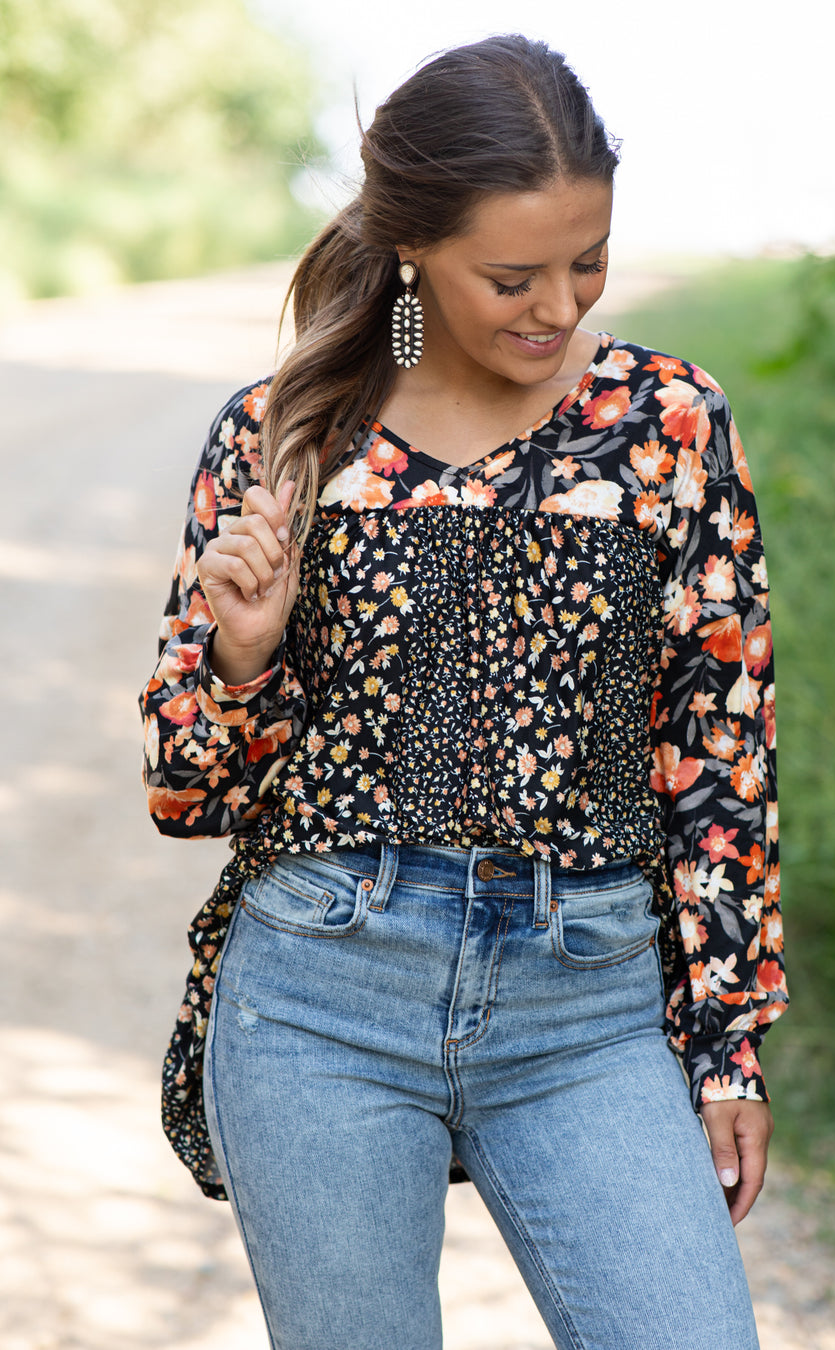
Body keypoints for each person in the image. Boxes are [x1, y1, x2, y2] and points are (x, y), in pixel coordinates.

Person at [140, 33, 787, 1350]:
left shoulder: (668, 420)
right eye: (512, 276)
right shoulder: (288, 438)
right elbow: (182, 789)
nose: (559, 306)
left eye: (587, 261)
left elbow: (719, 747)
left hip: (589, 1003)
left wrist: (725, 1041)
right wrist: (246, 657)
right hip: (322, 995)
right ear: (412, 250)